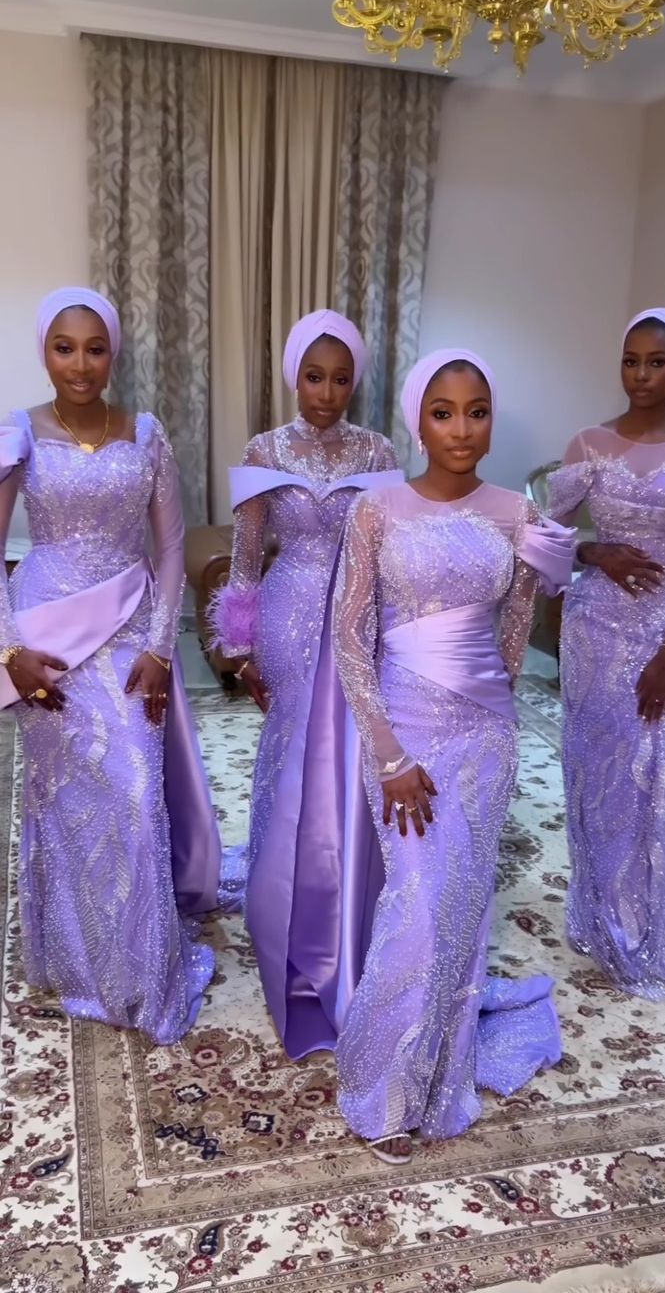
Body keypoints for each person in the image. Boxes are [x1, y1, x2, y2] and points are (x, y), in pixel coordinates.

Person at [331, 348, 574, 1163]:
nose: (462, 428)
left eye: (476, 411)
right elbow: (349, 639)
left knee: (462, 911)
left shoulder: (517, 512)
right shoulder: (377, 508)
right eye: (443, 411)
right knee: (417, 908)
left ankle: (436, 1074)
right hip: (401, 735)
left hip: (485, 737)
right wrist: (390, 751)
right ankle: (382, 1086)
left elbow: (512, 642)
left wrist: (487, 722)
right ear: (416, 418)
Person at [0, 287, 219, 1043]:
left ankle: (140, 969)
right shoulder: (16, 431)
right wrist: (8, 651)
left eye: (95, 348)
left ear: (113, 351)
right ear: (45, 351)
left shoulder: (147, 432)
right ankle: (77, 955)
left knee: (132, 789)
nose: (81, 364)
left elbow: (167, 548)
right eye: (65, 347)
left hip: (129, 632)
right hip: (47, 638)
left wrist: (163, 648)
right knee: (62, 798)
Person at [210, 309, 402, 1060]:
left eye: (341, 377)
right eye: (314, 377)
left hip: (361, 616)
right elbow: (248, 551)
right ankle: (283, 899)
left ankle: (346, 897)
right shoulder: (266, 448)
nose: (327, 393)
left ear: (357, 379)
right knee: (293, 756)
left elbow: (391, 548)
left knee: (353, 759)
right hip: (290, 616)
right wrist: (239, 642)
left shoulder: (380, 449)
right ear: (296, 376)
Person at [548, 306, 665, 997]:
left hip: (662, 633)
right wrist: (591, 549)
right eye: (631, 360)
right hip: (593, 629)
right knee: (598, 768)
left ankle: (651, 918)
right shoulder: (587, 445)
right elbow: (541, 539)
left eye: (656, 362)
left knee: (652, 771)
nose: (641, 375)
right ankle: (604, 906)